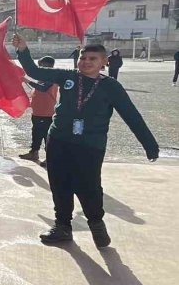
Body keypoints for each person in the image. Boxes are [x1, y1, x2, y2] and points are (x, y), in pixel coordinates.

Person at [12, 35, 159, 247]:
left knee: (88, 186)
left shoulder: (111, 87)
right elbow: (35, 72)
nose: (86, 62)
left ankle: (96, 224)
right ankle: (62, 226)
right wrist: (24, 49)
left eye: (92, 58)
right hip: (59, 140)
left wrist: (150, 145)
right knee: (59, 184)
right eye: (83, 58)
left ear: (104, 62)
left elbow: (131, 115)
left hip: (90, 145)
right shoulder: (68, 76)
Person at [19, 56, 59, 165]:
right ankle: (34, 152)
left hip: (47, 112)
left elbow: (43, 88)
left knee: (47, 135)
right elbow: (37, 89)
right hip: (38, 112)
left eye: (41, 65)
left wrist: (27, 80)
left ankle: (50, 158)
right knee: (36, 133)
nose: (39, 68)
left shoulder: (52, 77)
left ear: (47, 66)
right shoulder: (43, 77)